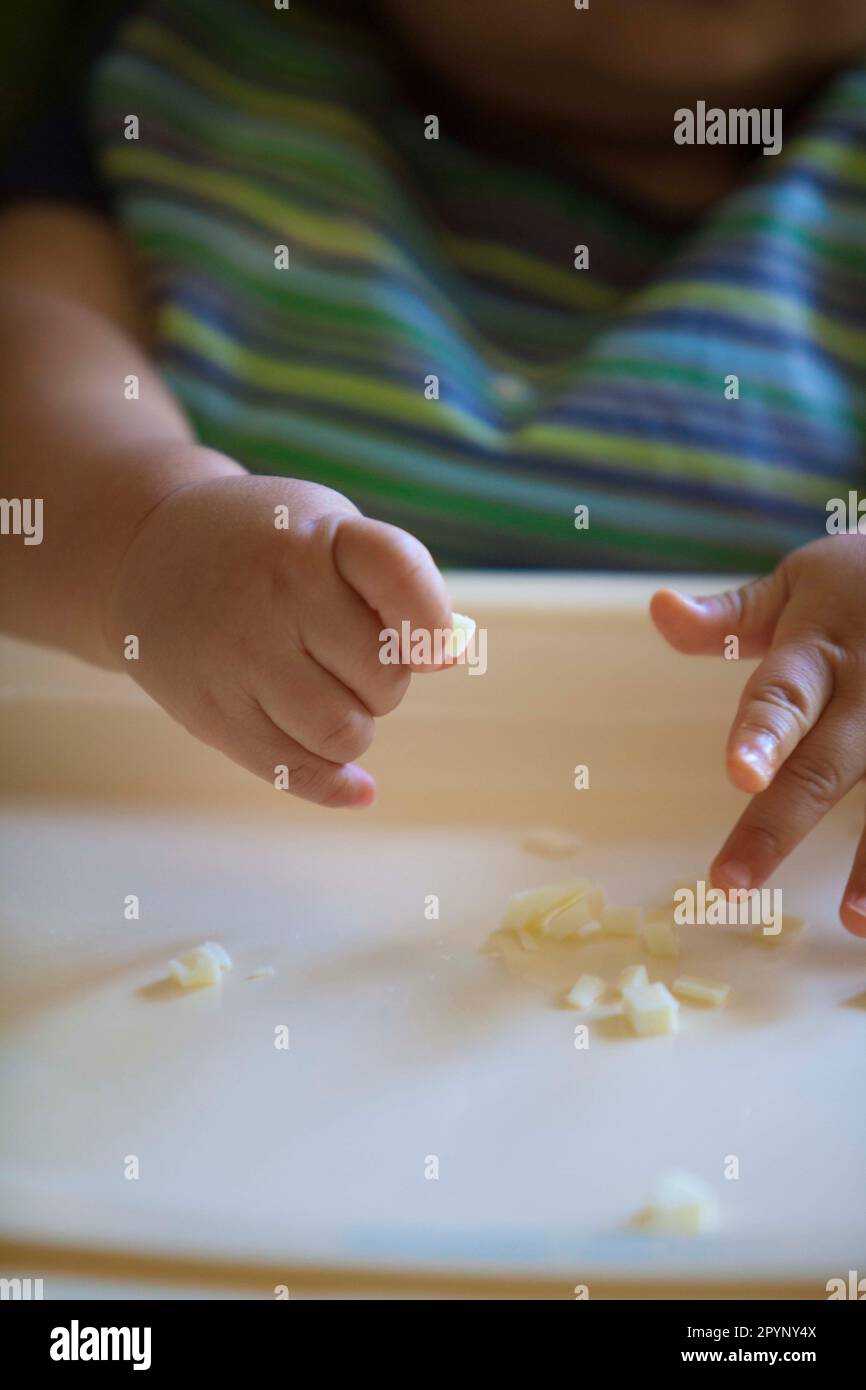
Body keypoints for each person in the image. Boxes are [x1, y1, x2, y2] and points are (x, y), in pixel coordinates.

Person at [2, 0, 866, 932]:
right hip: (215, 882)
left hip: (754, 896)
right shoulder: (188, 83)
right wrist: (140, 529)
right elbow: (27, 367)